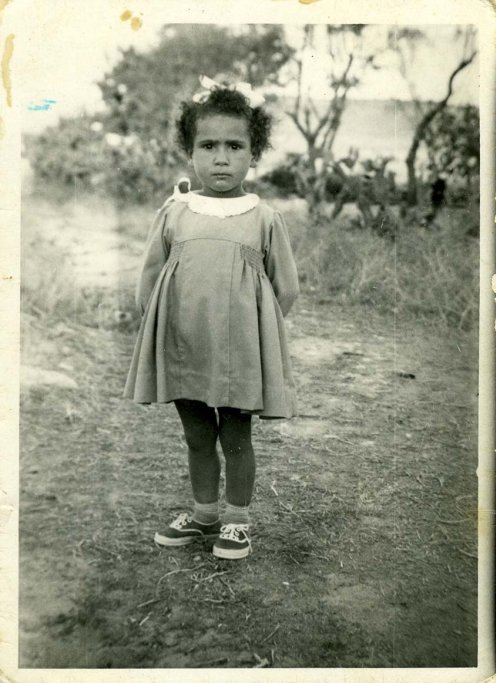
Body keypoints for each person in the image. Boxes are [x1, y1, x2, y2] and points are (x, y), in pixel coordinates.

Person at [124, 76, 299, 560]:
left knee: (236, 437)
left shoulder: (263, 218)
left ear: (254, 154)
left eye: (235, 146)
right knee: (197, 435)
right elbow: (149, 281)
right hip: (185, 350)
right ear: (190, 152)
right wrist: (162, 337)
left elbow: (285, 289)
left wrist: (254, 337)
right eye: (208, 146)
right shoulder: (174, 213)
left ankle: (237, 522)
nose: (221, 158)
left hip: (238, 355)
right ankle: (204, 516)